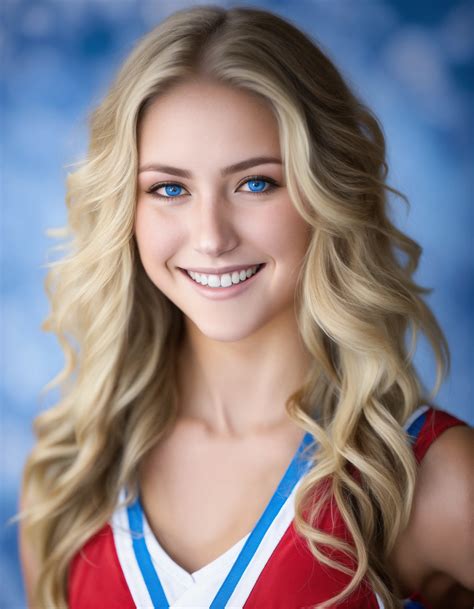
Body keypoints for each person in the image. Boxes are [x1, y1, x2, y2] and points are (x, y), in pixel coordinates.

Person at [16, 5, 473, 609]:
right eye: (169, 189)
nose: (211, 236)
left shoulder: (425, 479)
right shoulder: (73, 475)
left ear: (327, 191)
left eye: (256, 183)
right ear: (125, 212)